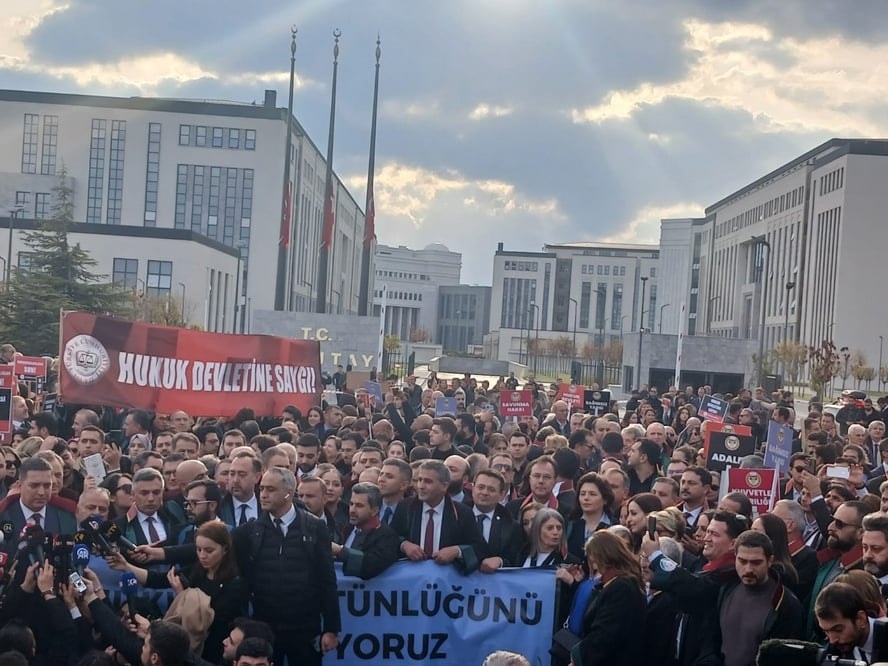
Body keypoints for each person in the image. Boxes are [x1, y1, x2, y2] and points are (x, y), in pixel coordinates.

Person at [233, 466, 340, 666]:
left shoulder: (315, 527)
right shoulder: (250, 531)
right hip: (264, 626)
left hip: (305, 627)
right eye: (262, 488)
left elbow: (327, 580)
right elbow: (241, 578)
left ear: (288, 493)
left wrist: (331, 628)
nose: (263, 494)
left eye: (270, 489)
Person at [110, 521, 249, 664]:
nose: (202, 555)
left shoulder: (235, 584)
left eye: (209, 551)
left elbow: (211, 620)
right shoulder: (197, 570)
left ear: (225, 549)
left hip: (212, 650)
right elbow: (158, 579)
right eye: (199, 550)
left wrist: (183, 596)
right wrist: (126, 566)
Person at [717, 530, 804, 666]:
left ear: (770, 561)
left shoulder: (786, 604)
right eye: (742, 561)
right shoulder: (725, 589)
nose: (748, 569)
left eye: (756, 562)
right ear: (735, 557)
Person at [390, 459, 486, 573]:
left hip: (446, 578)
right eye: (419, 480)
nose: (421, 486)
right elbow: (390, 537)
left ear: (444, 486)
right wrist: (404, 545)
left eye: (428, 481)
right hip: (412, 576)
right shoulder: (405, 507)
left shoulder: (462, 513)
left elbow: (480, 548)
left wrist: (457, 551)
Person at [570, 530, 646, 666]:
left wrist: (579, 657)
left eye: (593, 557)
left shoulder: (622, 587)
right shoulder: (616, 583)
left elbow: (606, 634)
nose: (592, 563)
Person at [331, 482, 400, 579]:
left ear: (374, 511)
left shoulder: (387, 536)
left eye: (359, 506)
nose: (352, 510)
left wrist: (340, 551)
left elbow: (370, 566)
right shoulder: (345, 527)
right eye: (351, 504)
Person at [815, 581, 879, 662]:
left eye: (838, 630)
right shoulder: (834, 651)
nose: (832, 640)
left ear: (861, 619)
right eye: (826, 631)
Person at [566, 473, 613, 560]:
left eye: (592, 494)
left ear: (605, 499)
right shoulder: (569, 524)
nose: (586, 498)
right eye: (582, 494)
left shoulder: (614, 526)